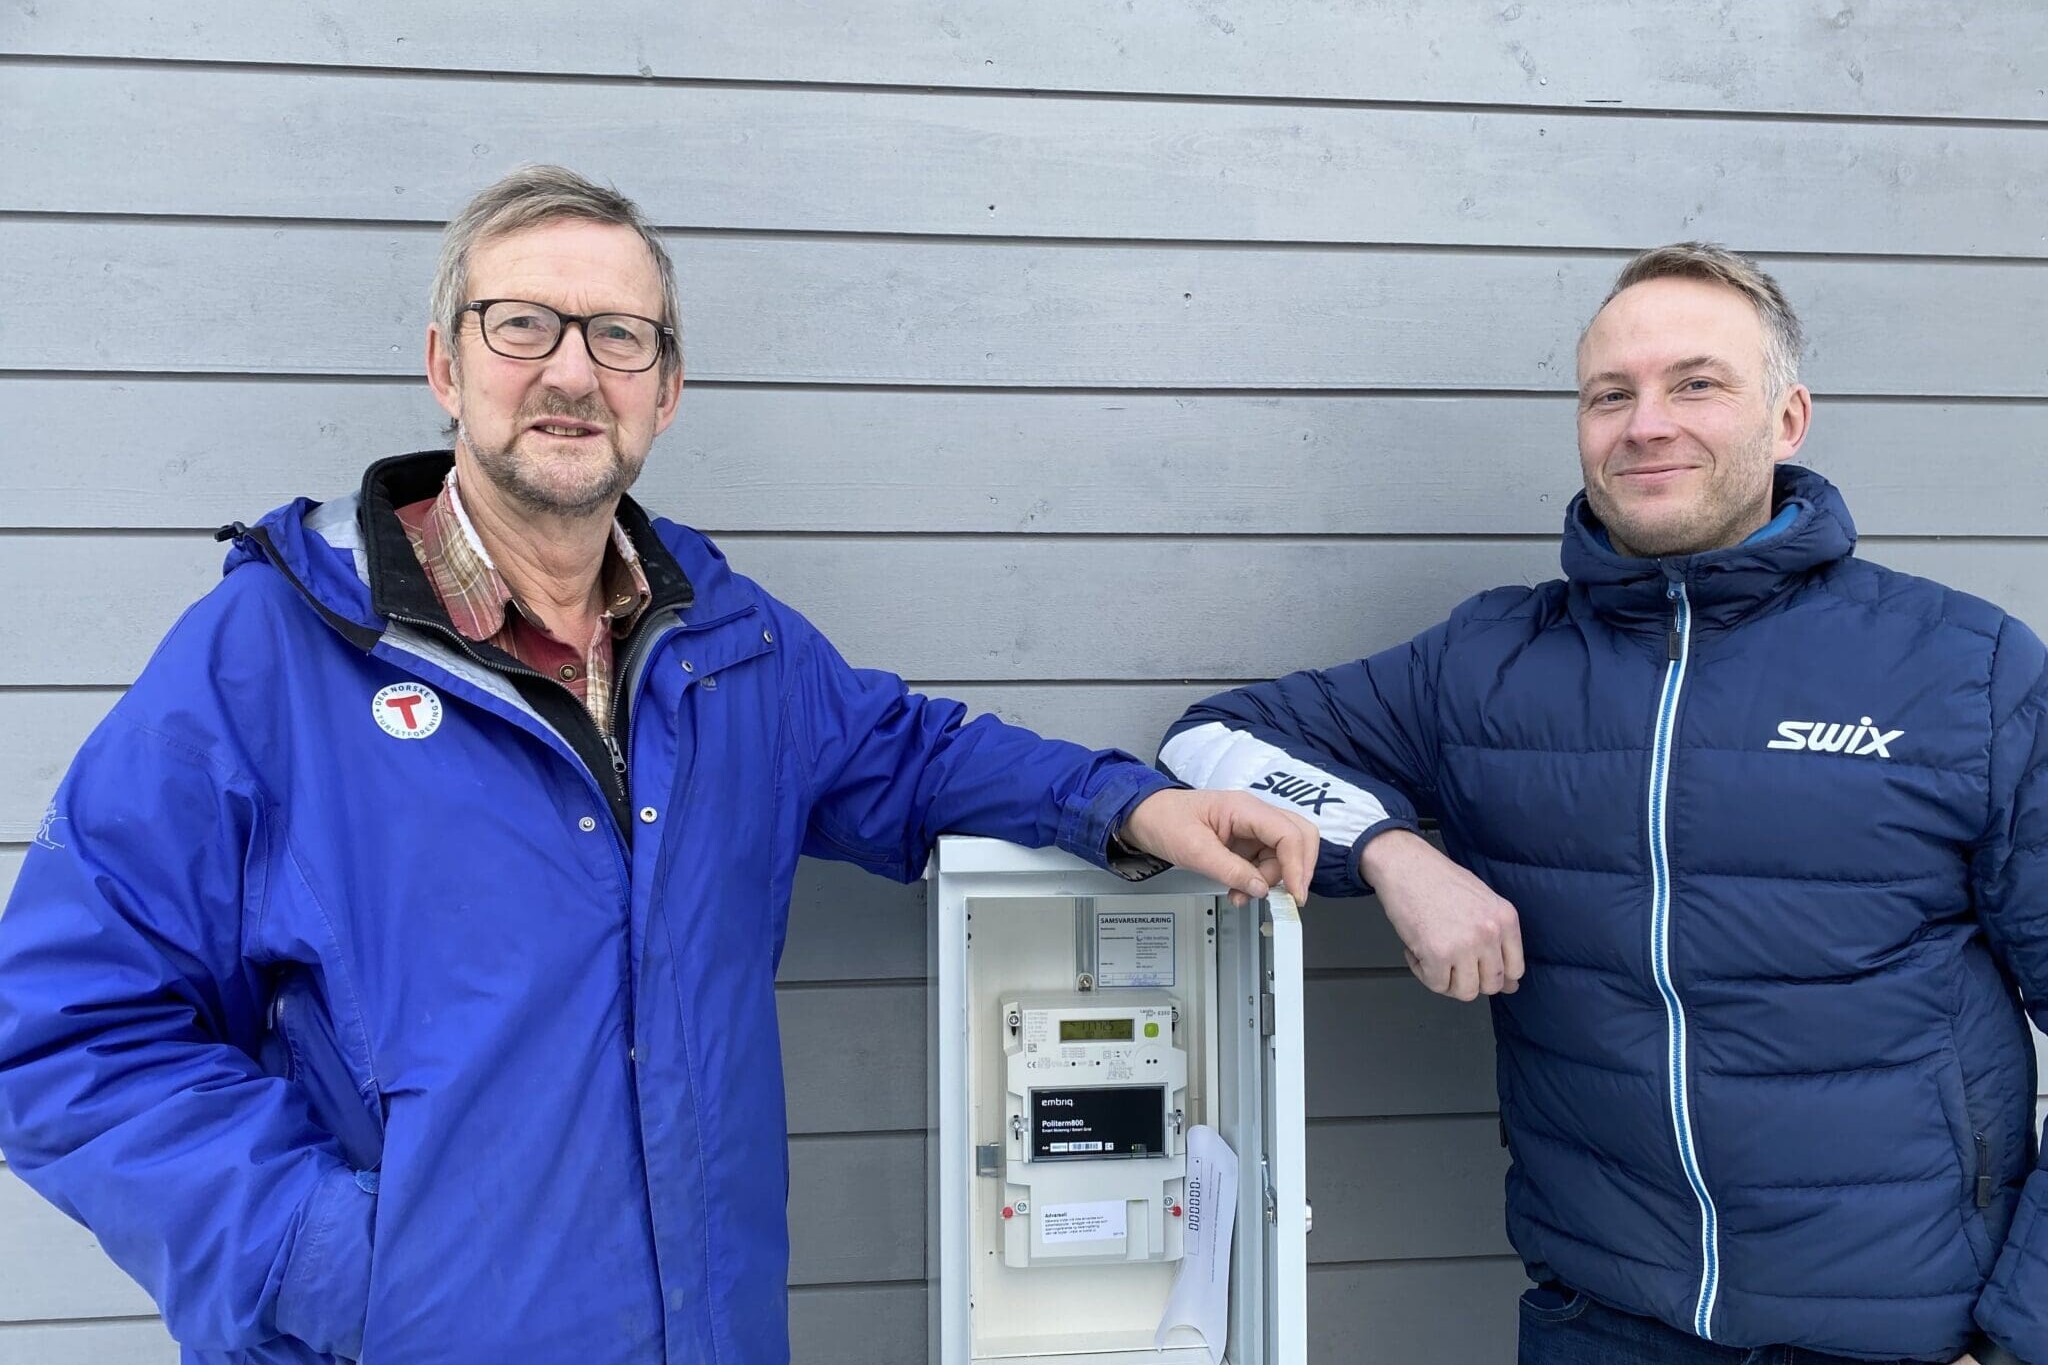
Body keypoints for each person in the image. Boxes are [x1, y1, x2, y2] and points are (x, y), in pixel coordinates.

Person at [0, 165, 1314, 1365]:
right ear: (446, 365)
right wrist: (344, 1262)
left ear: (665, 390)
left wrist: (1129, 803)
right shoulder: (269, 659)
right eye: (524, 324)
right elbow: (60, 1035)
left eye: (618, 337)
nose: (572, 373)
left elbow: (904, 755)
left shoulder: (727, 647)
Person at [1158, 243, 2046, 1365]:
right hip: (1598, 1322)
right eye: (1607, 395)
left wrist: (2021, 1339)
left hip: (1906, 1335)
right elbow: (1210, 743)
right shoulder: (1487, 663)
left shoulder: (1962, 669)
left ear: (1786, 418)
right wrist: (1390, 852)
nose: (1645, 423)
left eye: (1694, 383)